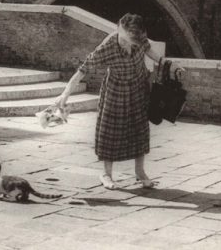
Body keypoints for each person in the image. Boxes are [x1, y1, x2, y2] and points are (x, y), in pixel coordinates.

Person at [55, 13, 184, 190]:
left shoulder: (139, 38)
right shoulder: (108, 45)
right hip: (115, 92)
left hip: (139, 88)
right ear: (119, 29)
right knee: (110, 132)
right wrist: (65, 94)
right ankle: (106, 174)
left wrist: (169, 63)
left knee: (139, 131)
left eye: (132, 42)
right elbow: (84, 68)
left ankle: (140, 172)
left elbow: (150, 51)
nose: (128, 45)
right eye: (125, 41)